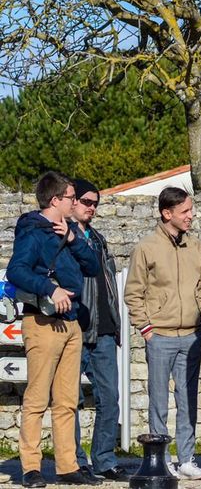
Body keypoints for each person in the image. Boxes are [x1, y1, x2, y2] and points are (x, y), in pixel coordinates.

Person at [7, 171, 102, 487]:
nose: (76, 202)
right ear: (55, 200)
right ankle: (31, 468)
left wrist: (74, 240)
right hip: (43, 323)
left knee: (66, 400)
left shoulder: (71, 230)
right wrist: (49, 288)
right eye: (71, 198)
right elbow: (15, 270)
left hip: (71, 324)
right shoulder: (33, 232)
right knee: (36, 398)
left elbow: (93, 266)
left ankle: (67, 465)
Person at [124, 187, 201, 480]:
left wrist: (200, 320)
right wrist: (146, 328)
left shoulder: (197, 247)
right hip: (158, 335)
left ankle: (186, 458)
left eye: (191, 210)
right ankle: (161, 459)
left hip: (191, 335)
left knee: (188, 399)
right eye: (185, 211)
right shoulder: (146, 247)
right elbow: (133, 292)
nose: (191, 216)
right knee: (158, 400)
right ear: (167, 213)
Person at [71, 179, 126, 482]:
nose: (91, 207)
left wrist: (116, 324)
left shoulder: (100, 239)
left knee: (110, 397)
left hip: (104, 332)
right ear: (72, 201)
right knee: (72, 400)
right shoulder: (64, 237)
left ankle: (104, 459)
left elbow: (108, 287)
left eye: (95, 203)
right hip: (76, 329)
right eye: (86, 201)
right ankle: (76, 460)